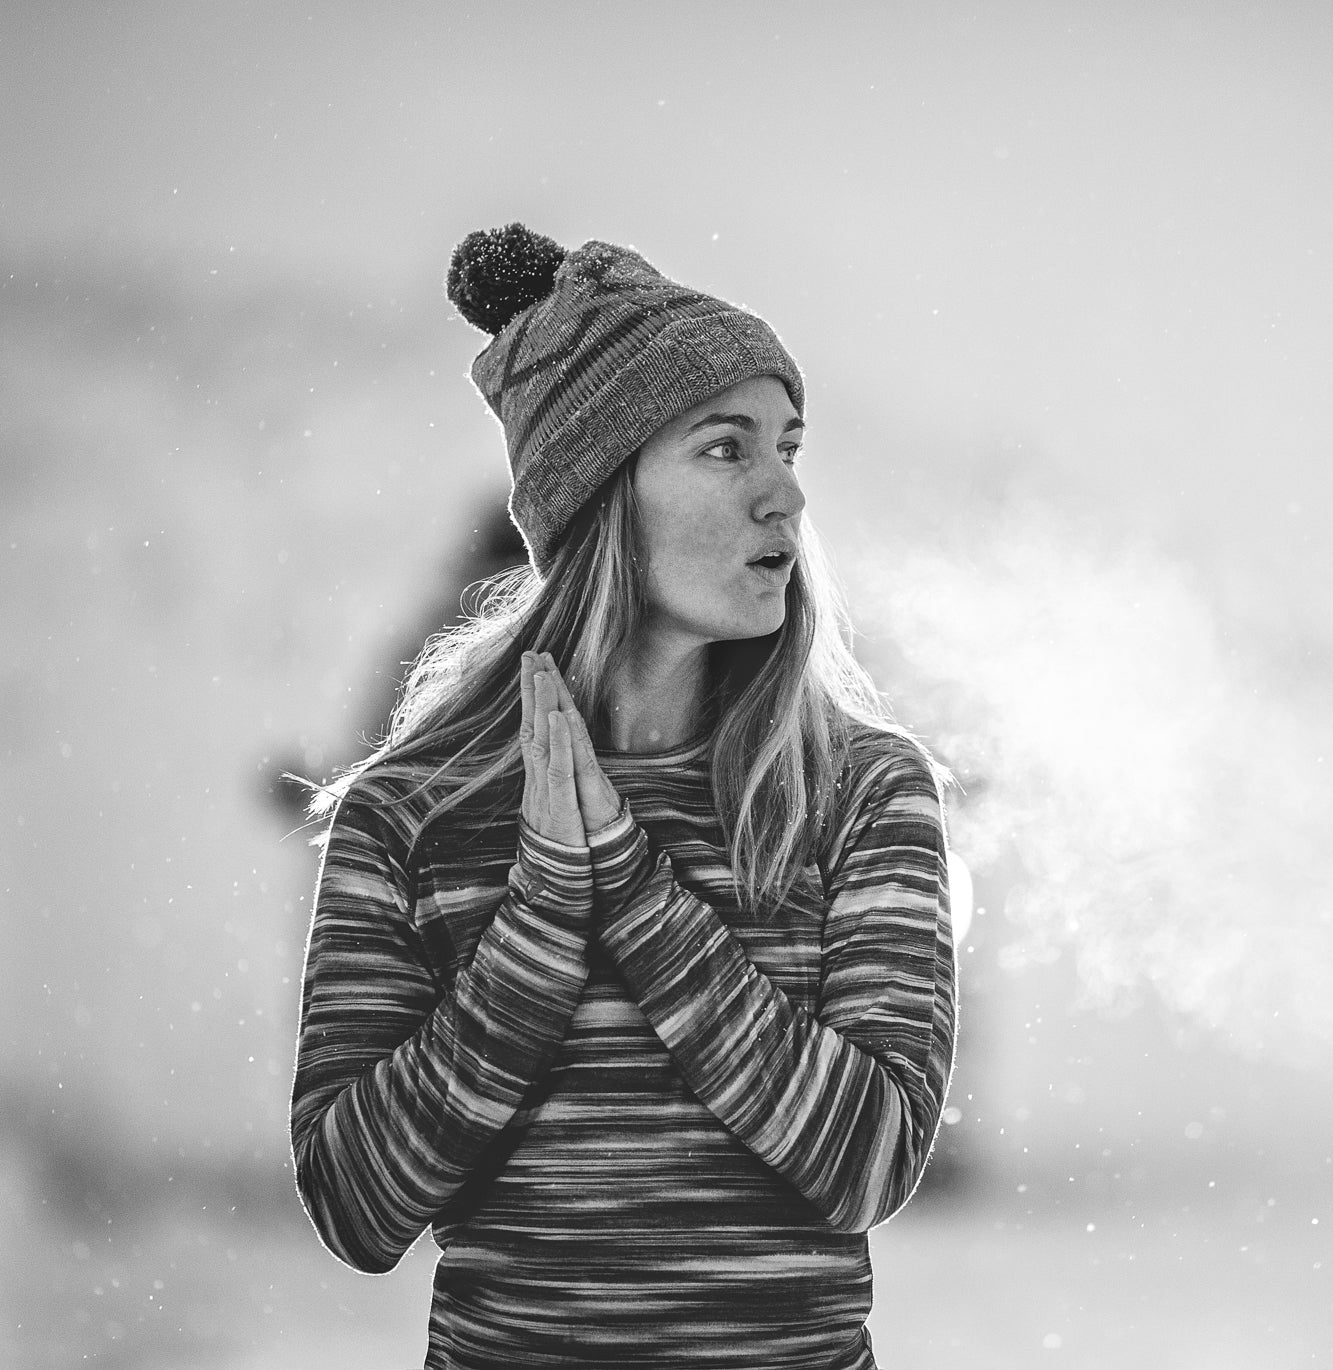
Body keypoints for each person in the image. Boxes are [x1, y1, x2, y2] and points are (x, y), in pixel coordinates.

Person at [290, 224, 957, 1369]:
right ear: (600, 493)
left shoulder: (859, 789)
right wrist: (542, 912)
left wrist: (633, 890)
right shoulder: (416, 810)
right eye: (724, 448)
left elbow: (865, 1162)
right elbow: (357, 1205)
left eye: (787, 446)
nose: (785, 493)